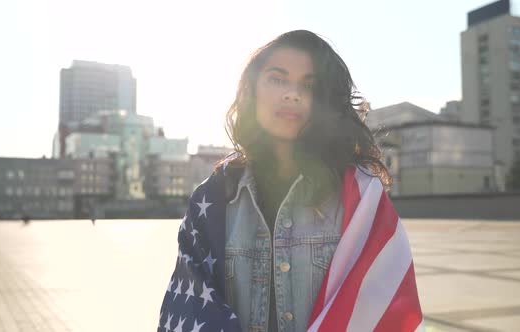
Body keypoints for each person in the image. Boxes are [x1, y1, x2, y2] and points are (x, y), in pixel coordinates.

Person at [157, 30, 423, 332]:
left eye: (308, 86)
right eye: (277, 79)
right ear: (252, 91)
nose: (292, 94)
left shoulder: (361, 200)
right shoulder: (214, 199)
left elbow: (387, 314)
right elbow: (189, 310)